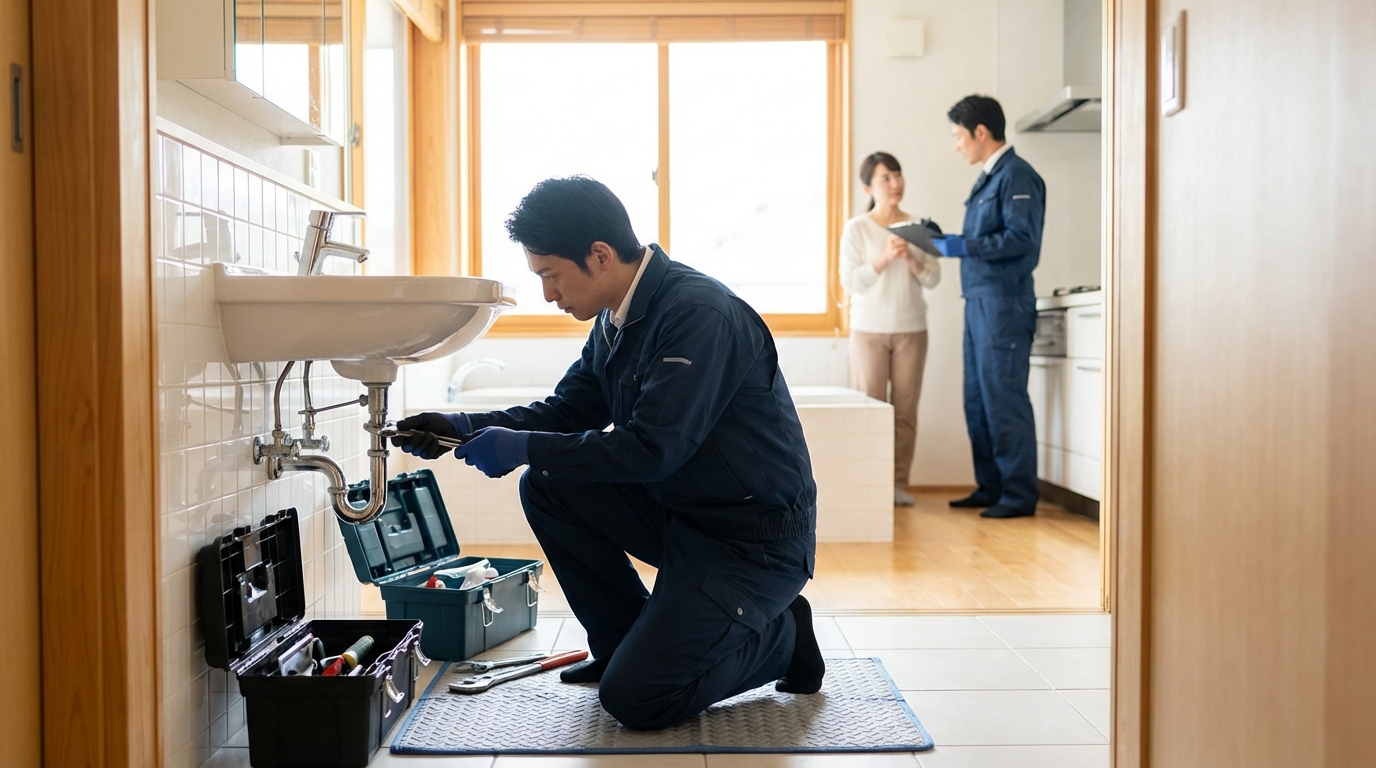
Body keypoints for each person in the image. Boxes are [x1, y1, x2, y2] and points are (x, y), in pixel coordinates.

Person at [392, 176, 825, 730]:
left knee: (638, 700)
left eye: (550, 275)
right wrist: (462, 425)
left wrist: (524, 446)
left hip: (750, 539)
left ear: (599, 255)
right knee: (550, 483)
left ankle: (784, 639)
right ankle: (623, 643)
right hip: (685, 515)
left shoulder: (699, 316)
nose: (548, 293)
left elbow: (651, 450)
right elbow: (568, 412)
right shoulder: (617, 319)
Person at [930, 95, 1046, 520]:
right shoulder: (989, 178)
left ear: (980, 132)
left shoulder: (1016, 176)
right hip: (978, 302)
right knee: (977, 397)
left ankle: (1018, 495)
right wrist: (949, 241)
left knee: (1003, 397)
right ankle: (991, 486)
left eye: (959, 136)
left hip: (1004, 304)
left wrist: (964, 245)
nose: (957, 145)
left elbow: (1021, 240)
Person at [840, 152, 942, 507]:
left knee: (905, 411)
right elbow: (850, 281)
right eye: (885, 177)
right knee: (869, 410)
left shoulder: (921, 226)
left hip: (911, 329)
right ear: (869, 186)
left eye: (897, 174)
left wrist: (911, 258)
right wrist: (883, 258)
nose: (895, 183)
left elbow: (934, 277)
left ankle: (898, 485)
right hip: (868, 330)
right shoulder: (857, 228)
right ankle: (867, 487)